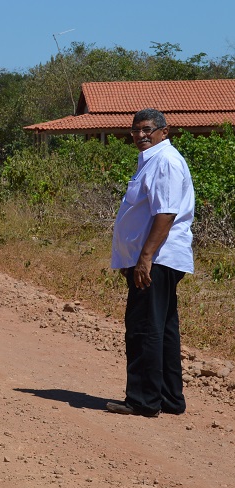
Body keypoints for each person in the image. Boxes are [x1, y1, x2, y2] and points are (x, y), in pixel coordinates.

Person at [107, 108, 195, 417]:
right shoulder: (153, 161)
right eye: (135, 130)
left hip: (157, 258)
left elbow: (165, 214)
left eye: (147, 129)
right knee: (164, 327)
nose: (140, 135)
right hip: (156, 258)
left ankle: (143, 400)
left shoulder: (165, 162)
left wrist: (144, 258)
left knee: (144, 327)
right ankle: (169, 398)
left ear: (163, 132)